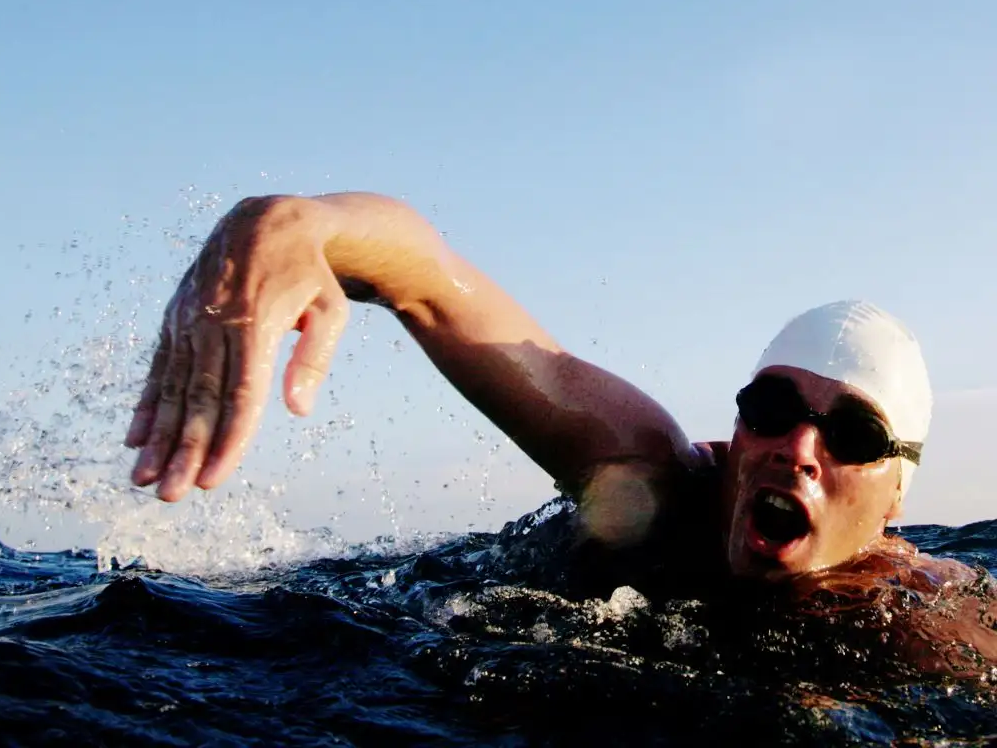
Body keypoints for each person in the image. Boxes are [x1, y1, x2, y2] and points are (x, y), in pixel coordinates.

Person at [124, 192, 997, 676]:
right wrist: (287, 224)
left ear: (896, 496)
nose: (797, 448)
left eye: (851, 433)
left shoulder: (928, 626)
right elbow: (429, 282)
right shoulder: (648, 479)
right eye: (771, 410)